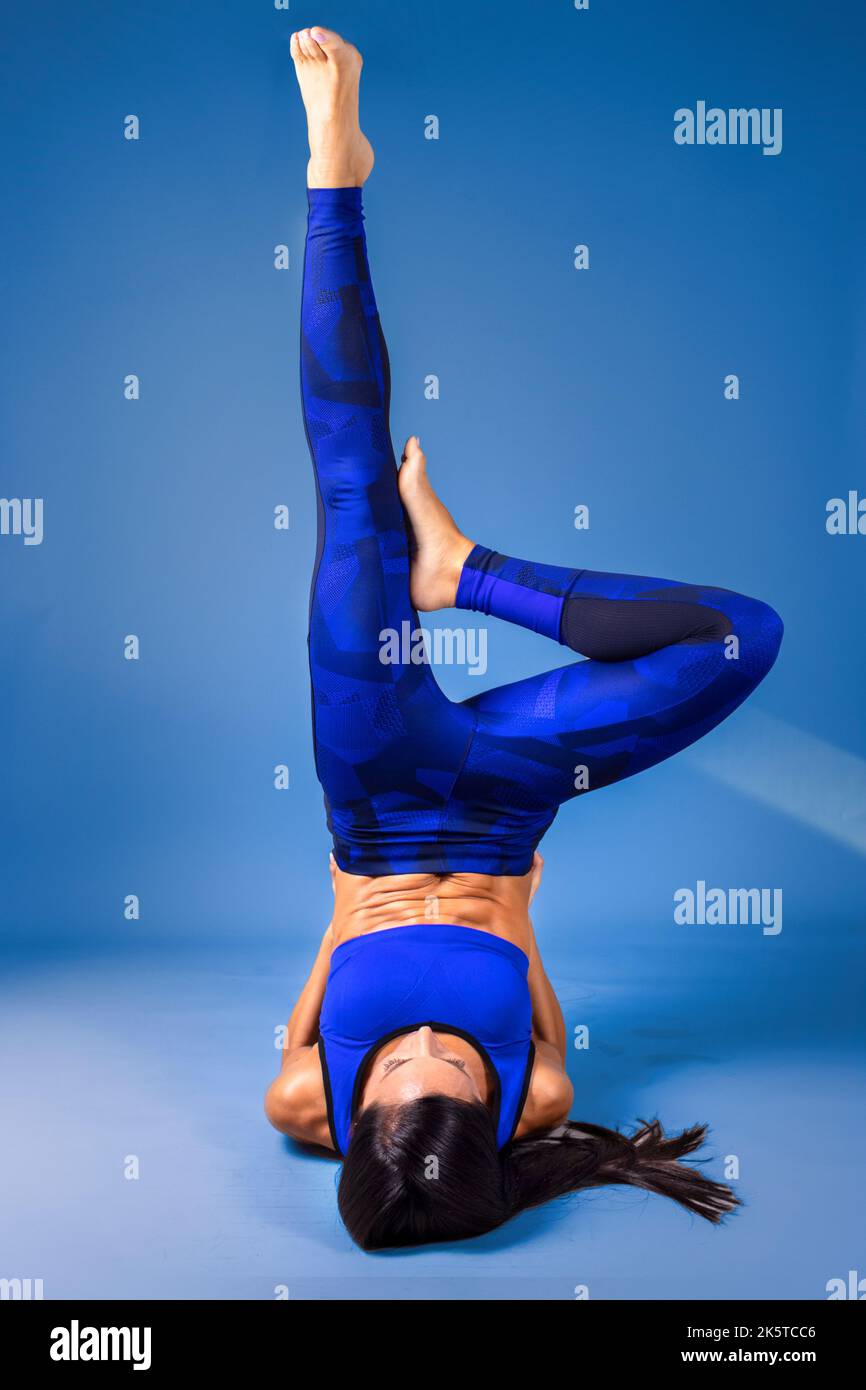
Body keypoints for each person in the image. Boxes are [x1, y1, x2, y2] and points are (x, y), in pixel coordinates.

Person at [265, 26, 783, 1250]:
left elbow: (323, 974)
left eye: (403, 1067)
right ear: (492, 1122)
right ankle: (470, 572)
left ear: (359, 1118)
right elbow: (533, 992)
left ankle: (332, 170)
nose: (436, 1048)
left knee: (350, 494)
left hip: (377, 800)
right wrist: (512, 903)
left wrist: (349, 902)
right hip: (501, 812)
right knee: (735, 640)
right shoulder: (537, 1094)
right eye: (460, 1068)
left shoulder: (302, 1099)